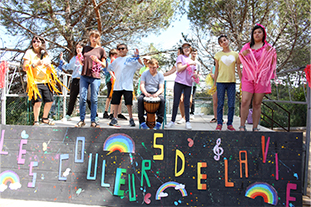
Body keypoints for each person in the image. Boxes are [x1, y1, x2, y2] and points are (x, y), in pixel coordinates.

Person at [239, 24, 277, 131]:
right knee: (245, 101)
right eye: (255, 32)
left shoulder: (268, 47)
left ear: (263, 34)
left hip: (261, 79)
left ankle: (255, 127)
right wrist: (243, 54)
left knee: (257, 103)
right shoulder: (247, 46)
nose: (257, 34)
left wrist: (271, 53)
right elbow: (238, 61)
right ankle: (242, 126)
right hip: (248, 78)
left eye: (259, 32)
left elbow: (273, 63)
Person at [23, 35, 61, 125]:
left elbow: (51, 69)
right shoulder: (29, 52)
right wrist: (34, 64)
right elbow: (25, 67)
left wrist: (49, 66)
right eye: (34, 42)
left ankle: (45, 118)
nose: (36, 43)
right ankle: (36, 120)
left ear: (42, 43)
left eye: (38, 41)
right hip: (35, 82)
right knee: (38, 101)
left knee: (50, 100)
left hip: (46, 81)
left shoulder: (45, 54)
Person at [75, 30, 107, 128]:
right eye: (92, 36)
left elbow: (104, 65)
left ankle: (93, 121)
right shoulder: (85, 48)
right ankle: (82, 120)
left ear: (98, 38)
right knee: (82, 98)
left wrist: (97, 60)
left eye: (96, 37)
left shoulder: (101, 50)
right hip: (84, 76)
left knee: (94, 99)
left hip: (95, 77)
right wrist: (80, 59)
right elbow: (82, 62)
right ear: (89, 38)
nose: (94, 38)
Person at [108, 43, 143, 127]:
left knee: (129, 103)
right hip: (117, 85)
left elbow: (141, 65)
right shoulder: (116, 61)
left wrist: (138, 57)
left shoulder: (131, 59)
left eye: (122, 48)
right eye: (119, 49)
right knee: (115, 102)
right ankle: (114, 118)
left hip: (128, 85)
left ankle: (131, 118)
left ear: (127, 50)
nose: (121, 50)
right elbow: (108, 68)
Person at [165, 43, 197, 130]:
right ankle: (172, 121)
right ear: (182, 49)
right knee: (176, 102)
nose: (186, 49)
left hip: (188, 84)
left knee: (187, 103)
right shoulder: (180, 57)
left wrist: (196, 76)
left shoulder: (192, 61)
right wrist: (188, 64)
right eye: (184, 47)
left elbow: (193, 74)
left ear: (190, 49)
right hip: (179, 82)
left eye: (188, 47)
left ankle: (187, 122)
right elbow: (179, 69)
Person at [213, 34, 241, 131]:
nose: (224, 42)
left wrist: (241, 82)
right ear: (220, 45)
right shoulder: (218, 55)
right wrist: (214, 84)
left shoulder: (235, 54)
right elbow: (216, 70)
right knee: (220, 103)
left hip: (231, 82)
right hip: (220, 82)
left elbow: (239, 68)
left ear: (228, 40)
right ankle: (219, 123)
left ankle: (230, 124)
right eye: (221, 42)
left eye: (225, 40)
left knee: (231, 104)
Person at [58, 42, 85, 121]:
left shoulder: (85, 57)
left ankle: (94, 115)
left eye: (80, 47)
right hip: (75, 79)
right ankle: (68, 114)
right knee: (72, 98)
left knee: (87, 98)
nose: (78, 49)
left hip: (84, 80)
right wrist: (62, 60)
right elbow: (68, 66)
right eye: (77, 48)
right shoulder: (74, 58)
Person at [138, 58, 165, 130]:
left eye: (154, 67)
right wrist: (146, 93)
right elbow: (142, 85)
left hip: (156, 92)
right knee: (140, 99)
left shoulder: (160, 75)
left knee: (162, 100)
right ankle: (142, 122)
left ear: (157, 67)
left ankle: (159, 122)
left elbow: (161, 88)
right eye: (150, 67)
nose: (152, 69)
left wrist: (156, 94)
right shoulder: (144, 73)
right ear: (148, 66)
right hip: (146, 92)